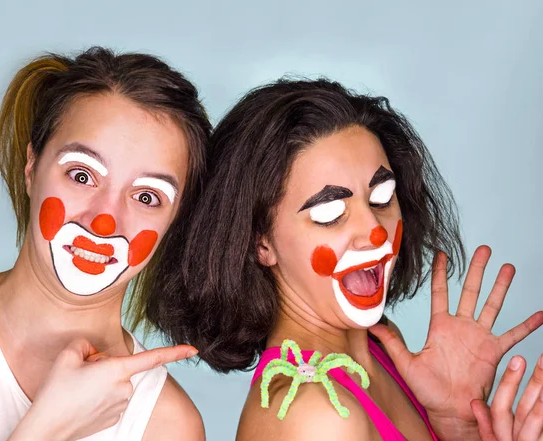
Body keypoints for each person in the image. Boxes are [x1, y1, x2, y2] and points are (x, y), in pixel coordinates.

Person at [141, 78, 543, 440]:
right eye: (330, 215)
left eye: (382, 199)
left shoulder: (378, 347)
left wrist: (457, 426)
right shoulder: (317, 416)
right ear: (261, 244)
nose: (376, 231)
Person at [0, 46, 211, 441]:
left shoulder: (165, 425)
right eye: (82, 175)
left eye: (147, 197)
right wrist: (49, 428)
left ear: (176, 220)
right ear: (32, 168)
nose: (104, 221)